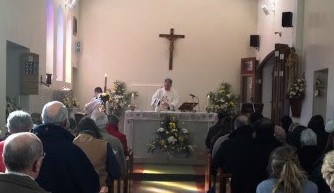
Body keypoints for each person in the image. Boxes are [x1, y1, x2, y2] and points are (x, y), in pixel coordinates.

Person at [32, 101, 100, 193]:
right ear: (65, 122)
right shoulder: (72, 151)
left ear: (41, 119)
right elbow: (91, 185)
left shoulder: (28, 146)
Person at [74, 117, 121, 191]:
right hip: (98, 188)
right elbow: (116, 173)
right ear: (95, 129)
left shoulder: (70, 144)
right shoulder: (104, 145)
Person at [91, 111, 127, 176]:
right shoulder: (115, 141)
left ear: (92, 124)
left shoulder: (84, 141)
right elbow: (122, 168)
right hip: (109, 181)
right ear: (107, 124)